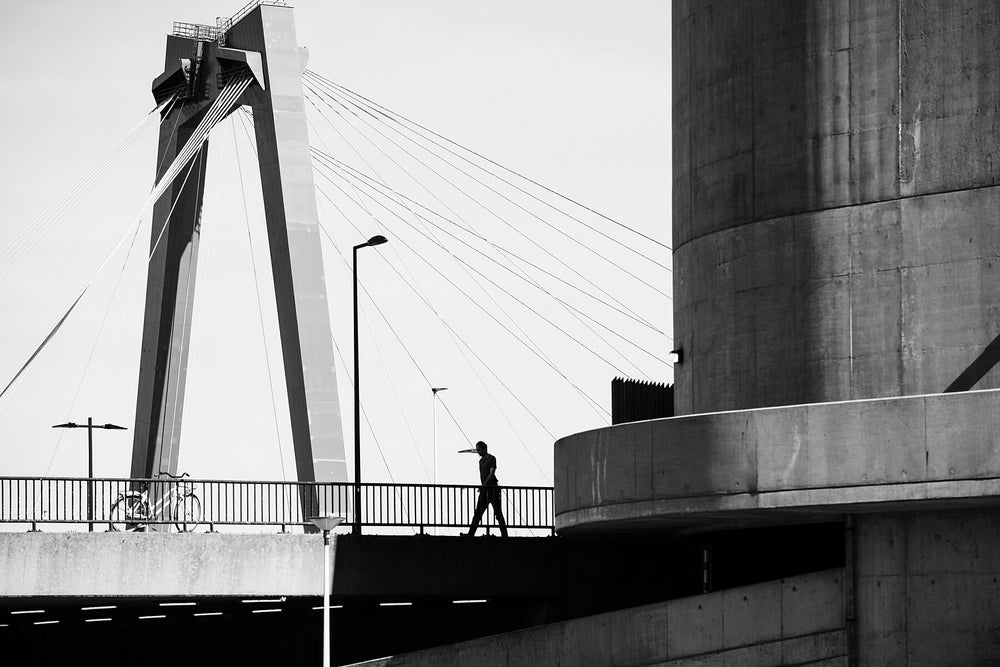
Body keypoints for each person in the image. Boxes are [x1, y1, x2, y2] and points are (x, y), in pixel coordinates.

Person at [463, 440, 508, 537]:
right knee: (478, 512)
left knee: (497, 513)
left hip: (493, 489)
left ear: (484, 449)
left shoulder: (492, 458)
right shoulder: (480, 461)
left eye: (479, 449)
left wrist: (484, 485)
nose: (478, 452)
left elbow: (492, 474)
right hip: (485, 490)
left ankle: (505, 535)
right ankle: (470, 534)